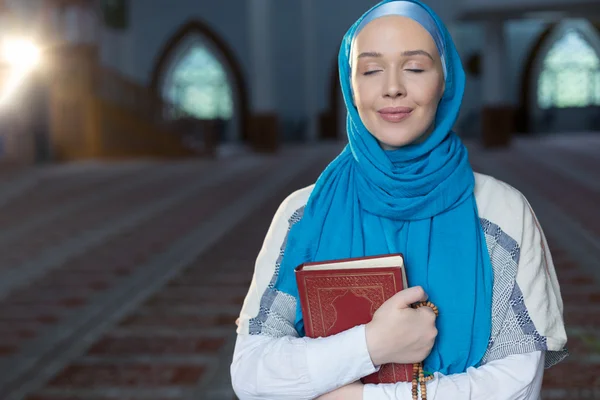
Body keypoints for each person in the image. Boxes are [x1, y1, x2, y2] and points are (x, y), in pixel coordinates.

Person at [230, 1, 568, 399]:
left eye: (415, 67)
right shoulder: (304, 214)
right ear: (350, 85)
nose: (392, 87)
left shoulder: (499, 211)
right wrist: (372, 345)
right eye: (371, 70)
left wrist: (358, 397)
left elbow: (516, 384)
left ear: (446, 81)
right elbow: (251, 372)